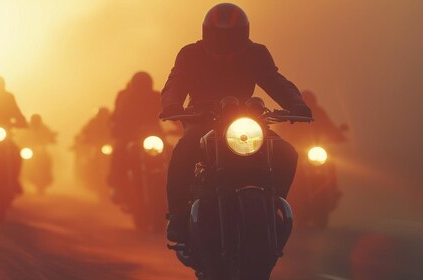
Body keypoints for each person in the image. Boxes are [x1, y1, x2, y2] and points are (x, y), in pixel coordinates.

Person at [160, 3, 313, 243]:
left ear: (243, 34)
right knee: (185, 150)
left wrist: (297, 104)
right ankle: (178, 217)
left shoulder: (256, 54)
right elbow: (175, 83)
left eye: (231, 37)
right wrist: (171, 105)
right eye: (218, 36)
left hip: (247, 120)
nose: (225, 43)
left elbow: (275, 81)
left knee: (286, 154)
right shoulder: (190, 54)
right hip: (203, 120)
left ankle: (270, 208)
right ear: (206, 34)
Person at [109, 72, 162, 201]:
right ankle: (118, 188)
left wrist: (180, 127)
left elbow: (169, 112)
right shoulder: (124, 97)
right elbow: (117, 115)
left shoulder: (156, 97)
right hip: (129, 137)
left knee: (172, 152)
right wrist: (117, 128)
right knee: (118, 153)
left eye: (145, 85)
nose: (142, 88)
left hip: (154, 136)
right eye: (139, 85)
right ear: (133, 86)